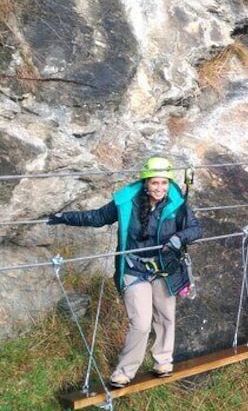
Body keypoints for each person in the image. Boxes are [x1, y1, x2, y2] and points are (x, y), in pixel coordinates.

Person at [46, 156, 202, 388]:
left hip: (165, 269)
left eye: (164, 183)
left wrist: (180, 237)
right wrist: (63, 217)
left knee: (166, 316)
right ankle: (124, 371)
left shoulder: (177, 203)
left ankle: (163, 361)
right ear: (145, 183)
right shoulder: (126, 202)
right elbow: (97, 218)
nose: (159, 188)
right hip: (134, 269)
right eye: (154, 183)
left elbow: (196, 229)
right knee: (140, 323)